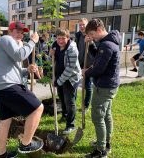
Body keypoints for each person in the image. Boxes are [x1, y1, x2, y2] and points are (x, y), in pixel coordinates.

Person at [0, 21, 44, 158]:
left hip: (0, 88)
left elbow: (14, 69)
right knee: (38, 108)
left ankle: (2, 155)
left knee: (5, 121)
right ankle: (25, 144)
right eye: (18, 31)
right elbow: (20, 55)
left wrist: (27, 70)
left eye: (22, 32)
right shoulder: (6, 39)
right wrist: (32, 42)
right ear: (10, 30)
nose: (20, 34)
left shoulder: (11, 44)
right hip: (8, 87)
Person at [83, 19, 121, 158]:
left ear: (99, 29)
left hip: (105, 86)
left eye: (92, 35)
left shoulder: (107, 44)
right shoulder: (108, 42)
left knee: (98, 117)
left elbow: (99, 68)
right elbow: (98, 57)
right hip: (110, 85)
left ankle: (100, 151)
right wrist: (92, 44)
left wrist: (86, 72)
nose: (92, 37)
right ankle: (106, 143)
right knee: (106, 115)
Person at [50, 28, 81, 135]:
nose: (61, 41)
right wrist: (51, 54)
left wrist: (58, 81)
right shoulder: (55, 45)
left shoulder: (72, 49)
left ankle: (71, 125)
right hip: (59, 76)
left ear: (68, 38)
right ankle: (64, 116)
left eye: (63, 38)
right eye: (59, 38)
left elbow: (70, 69)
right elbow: (54, 60)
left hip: (71, 78)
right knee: (62, 98)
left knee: (69, 101)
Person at [75, 18, 97, 112]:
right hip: (79, 63)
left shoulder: (92, 35)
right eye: (80, 25)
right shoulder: (78, 35)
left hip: (88, 64)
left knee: (87, 85)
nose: (82, 27)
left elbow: (96, 50)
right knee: (75, 83)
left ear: (87, 25)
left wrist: (91, 42)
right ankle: (73, 104)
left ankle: (86, 105)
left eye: (83, 24)